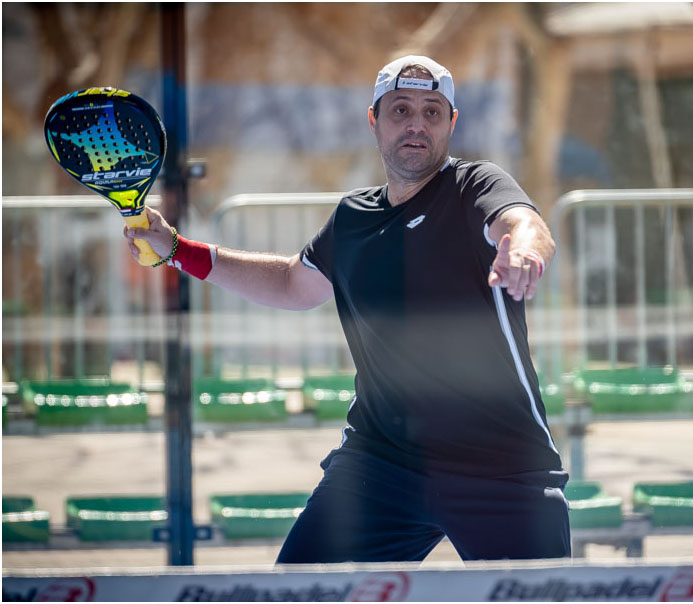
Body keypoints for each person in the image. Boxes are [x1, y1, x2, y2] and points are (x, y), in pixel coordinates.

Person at [125, 55, 569, 563]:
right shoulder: (353, 217)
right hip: (382, 462)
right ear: (374, 120)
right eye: (401, 110)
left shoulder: (476, 185)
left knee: (545, 594)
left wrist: (525, 250)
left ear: (451, 123)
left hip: (502, 465)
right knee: (298, 591)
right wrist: (176, 249)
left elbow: (522, 222)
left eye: (432, 111)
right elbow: (291, 282)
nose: (417, 124)